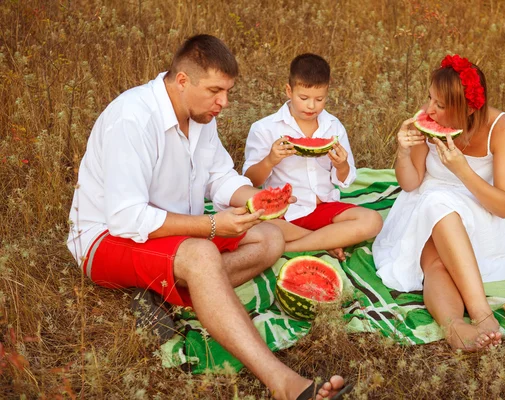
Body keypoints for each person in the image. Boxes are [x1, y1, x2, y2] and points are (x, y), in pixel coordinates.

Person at [67, 34, 352, 400]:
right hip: (107, 239)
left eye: (228, 91)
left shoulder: (200, 116)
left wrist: (260, 200)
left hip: (171, 235)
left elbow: (221, 177)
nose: (224, 102)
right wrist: (212, 225)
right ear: (183, 80)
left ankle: (171, 292)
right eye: (216, 90)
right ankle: (283, 383)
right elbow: (126, 217)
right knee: (202, 256)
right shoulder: (133, 118)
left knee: (270, 238)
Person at [372, 55, 505, 351]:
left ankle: (480, 313)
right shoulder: (428, 119)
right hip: (430, 205)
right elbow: (411, 183)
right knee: (433, 257)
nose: (429, 110)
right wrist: (402, 151)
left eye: (440, 105)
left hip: (485, 214)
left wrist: (461, 169)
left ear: (468, 108)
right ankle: (454, 327)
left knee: (437, 204)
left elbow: (504, 205)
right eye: (430, 99)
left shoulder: (501, 128)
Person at [243, 53, 382, 261]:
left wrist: (342, 165)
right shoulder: (264, 128)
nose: (311, 106)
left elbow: (345, 179)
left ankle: (295, 245)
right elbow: (251, 181)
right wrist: (270, 160)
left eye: (319, 99)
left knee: (373, 220)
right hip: (285, 213)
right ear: (289, 91)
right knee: (257, 223)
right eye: (304, 98)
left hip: (324, 208)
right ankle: (325, 242)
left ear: (327, 92)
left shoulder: (333, 126)